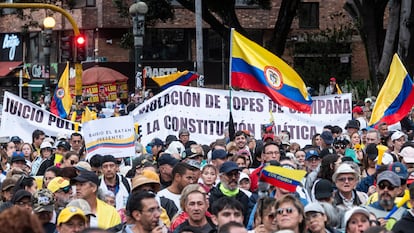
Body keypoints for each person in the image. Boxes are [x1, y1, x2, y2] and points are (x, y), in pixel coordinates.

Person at [209, 161, 251, 225]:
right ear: (221, 177)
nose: (233, 178)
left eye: (236, 174)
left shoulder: (244, 197)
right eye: (229, 174)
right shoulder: (212, 196)